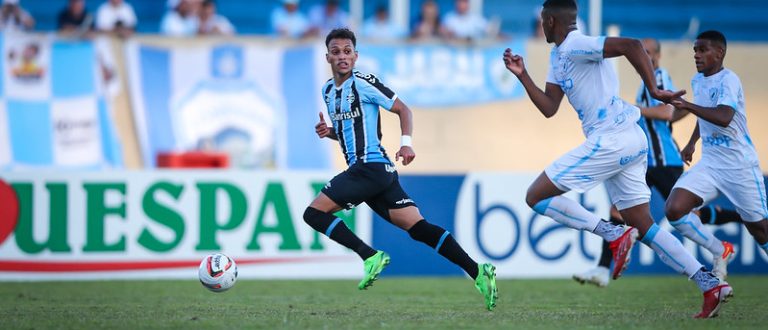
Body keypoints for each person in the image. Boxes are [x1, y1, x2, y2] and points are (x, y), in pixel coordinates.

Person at [503, 0, 730, 318]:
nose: (541, 26)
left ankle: (612, 232)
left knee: (535, 196)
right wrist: (523, 75)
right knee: (644, 226)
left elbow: (632, 45)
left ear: (553, 21)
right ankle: (709, 283)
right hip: (628, 141)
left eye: (543, 20)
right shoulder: (558, 56)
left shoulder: (578, 44)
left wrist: (654, 88)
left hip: (611, 139)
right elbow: (549, 107)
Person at [306, 28, 497, 311]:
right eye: (336, 52)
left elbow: (403, 109)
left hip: (368, 168)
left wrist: (406, 144)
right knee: (419, 228)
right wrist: (330, 132)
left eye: (347, 51)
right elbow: (352, 131)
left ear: (356, 56)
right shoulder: (327, 91)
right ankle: (478, 271)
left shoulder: (363, 82)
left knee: (313, 213)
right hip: (376, 173)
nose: (342, 57)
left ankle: (369, 255)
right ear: (328, 57)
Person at [572, 38, 743, 288]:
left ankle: (735, 226)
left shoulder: (659, 77)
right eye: (643, 52)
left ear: (658, 56)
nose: (647, 57)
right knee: (617, 212)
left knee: (686, 214)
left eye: (650, 53)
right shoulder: (647, 83)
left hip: (665, 161)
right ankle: (600, 269)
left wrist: (631, 110)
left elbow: (664, 113)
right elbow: (671, 113)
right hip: (644, 162)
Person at [666, 30, 768, 281]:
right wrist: (691, 143)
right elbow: (706, 115)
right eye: (694, 51)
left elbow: (723, 117)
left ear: (719, 53)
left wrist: (688, 105)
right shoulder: (698, 81)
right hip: (710, 164)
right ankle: (719, 250)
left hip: (739, 165)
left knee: (760, 230)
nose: (696, 56)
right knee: (674, 209)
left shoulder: (729, 80)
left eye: (702, 50)